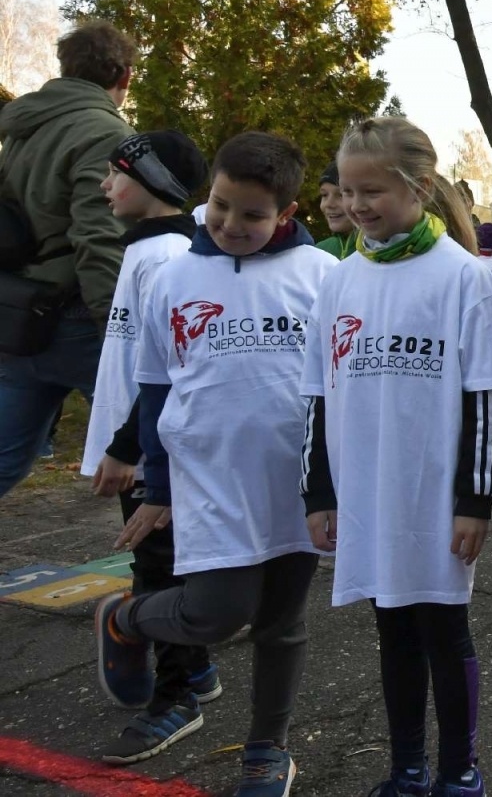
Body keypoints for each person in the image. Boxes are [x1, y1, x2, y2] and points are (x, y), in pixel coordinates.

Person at [93, 131, 335, 797]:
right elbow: (156, 387)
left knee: (283, 624)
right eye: (222, 206)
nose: (232, 224)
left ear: (285, 215)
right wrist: (158, 483)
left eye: (253, 215)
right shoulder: (174, 278)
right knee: (217, 614)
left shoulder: (321, 276)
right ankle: (126, 618)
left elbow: (340, 385)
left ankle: (267, 750)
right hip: (210, 484)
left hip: (297, 486)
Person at [301, 118, 492, 797]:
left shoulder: (461, 277)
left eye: (371, 191)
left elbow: (482, 398)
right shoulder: (338, 280)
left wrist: (475, 502)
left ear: (417, 187)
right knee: (394, 633)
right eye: (346, 191)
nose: (355, 205)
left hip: (435, 500)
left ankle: (460, 770)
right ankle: (407, 768)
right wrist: (319, 493)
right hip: (366, 494)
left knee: (444, 630)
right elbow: (318, 396)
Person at [79, 131, 218, 764]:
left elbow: (169, 371)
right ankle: (198, 671)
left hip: (149, 450)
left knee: (160, 570)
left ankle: (176, 697)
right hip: (138, 444)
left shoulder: (165, 257)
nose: (106, 185)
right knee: (167, 564)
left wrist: (128, 445)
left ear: (156, 181)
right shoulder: (145, 252)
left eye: (117, 173)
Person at [0, 20, 136, 497]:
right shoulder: (102, 131)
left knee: (3, 459)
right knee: (146, 446)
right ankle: (166, 571)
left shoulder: (23, 127)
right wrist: (117, 326)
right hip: (81, 315)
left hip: (22, 317)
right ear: (124, 77)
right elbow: (98, 236)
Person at [314, 161, 359, 259]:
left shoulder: (378, 250)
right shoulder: (318, 251)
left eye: (340, 195)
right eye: (324, 195)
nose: (329, 204)